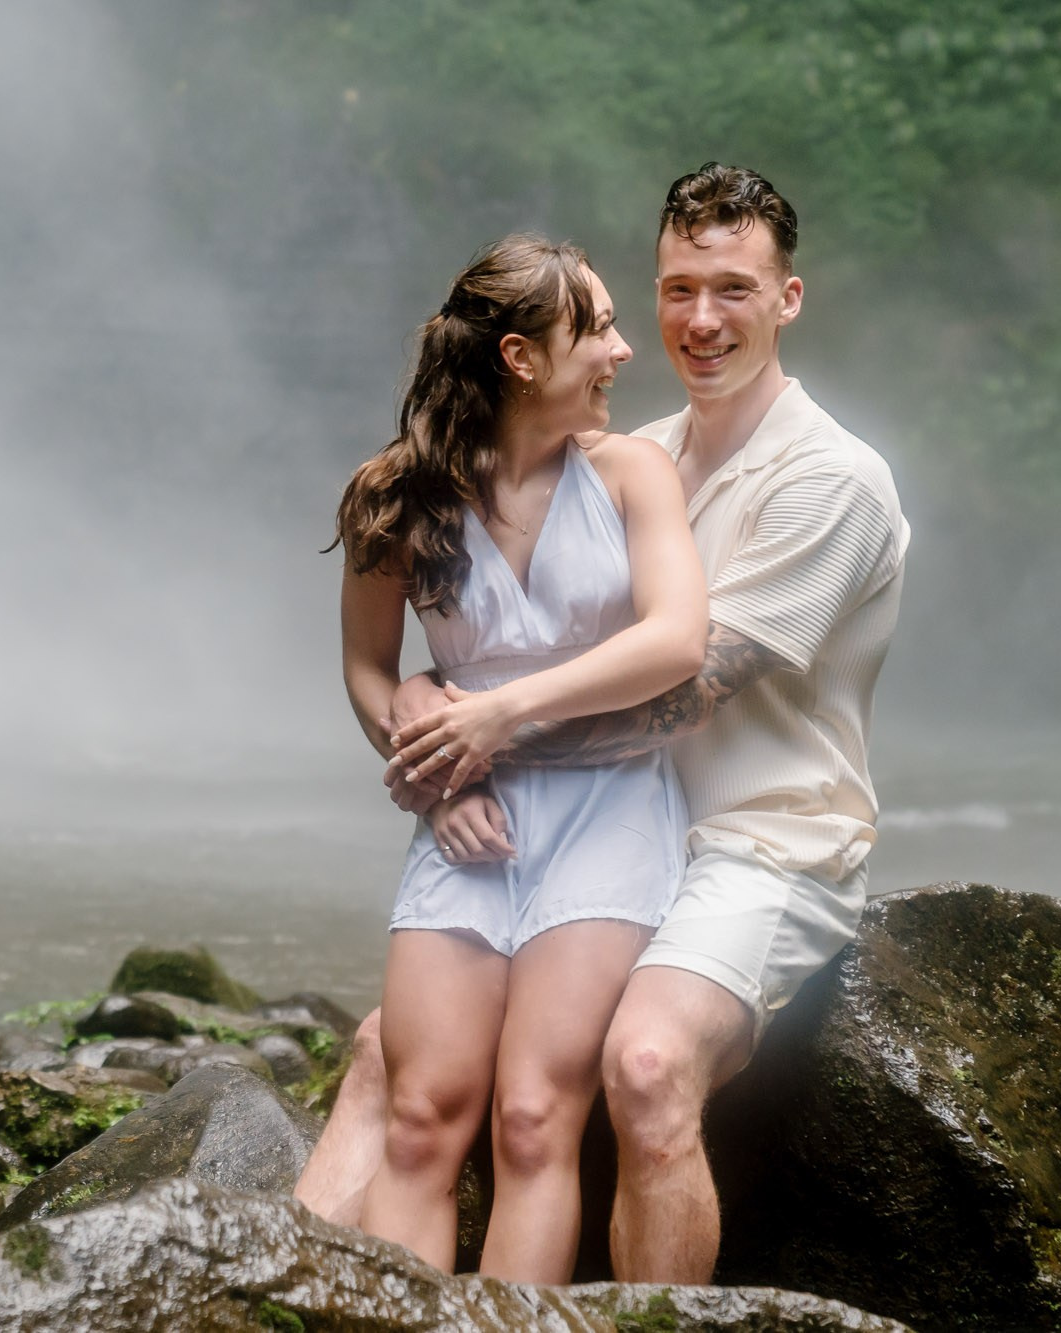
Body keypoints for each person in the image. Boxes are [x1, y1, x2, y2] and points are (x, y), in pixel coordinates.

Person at [299, 163, 910, 1286]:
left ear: (787, 299)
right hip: (612, 816)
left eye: (730, 289)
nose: (690, 322)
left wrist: (458, 731)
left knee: (631, 1064)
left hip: (750, 836)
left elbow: (676, 685)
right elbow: (462, 619)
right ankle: (288, 1294)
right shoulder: (631, 442)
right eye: (674, 288)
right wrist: (422, 708)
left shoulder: (829, 481)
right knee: (394, 1051)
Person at [332, 232, 707, 1284]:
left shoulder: (631, 471)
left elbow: (674, 640)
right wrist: (422, 755)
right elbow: (367, 668)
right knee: (419, 1113)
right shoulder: (392, 493)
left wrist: (496, 718)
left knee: (534, 1115)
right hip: (465, 819)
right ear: (519, 358)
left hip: (608, 811)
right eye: (596, 327)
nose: (625, 350)